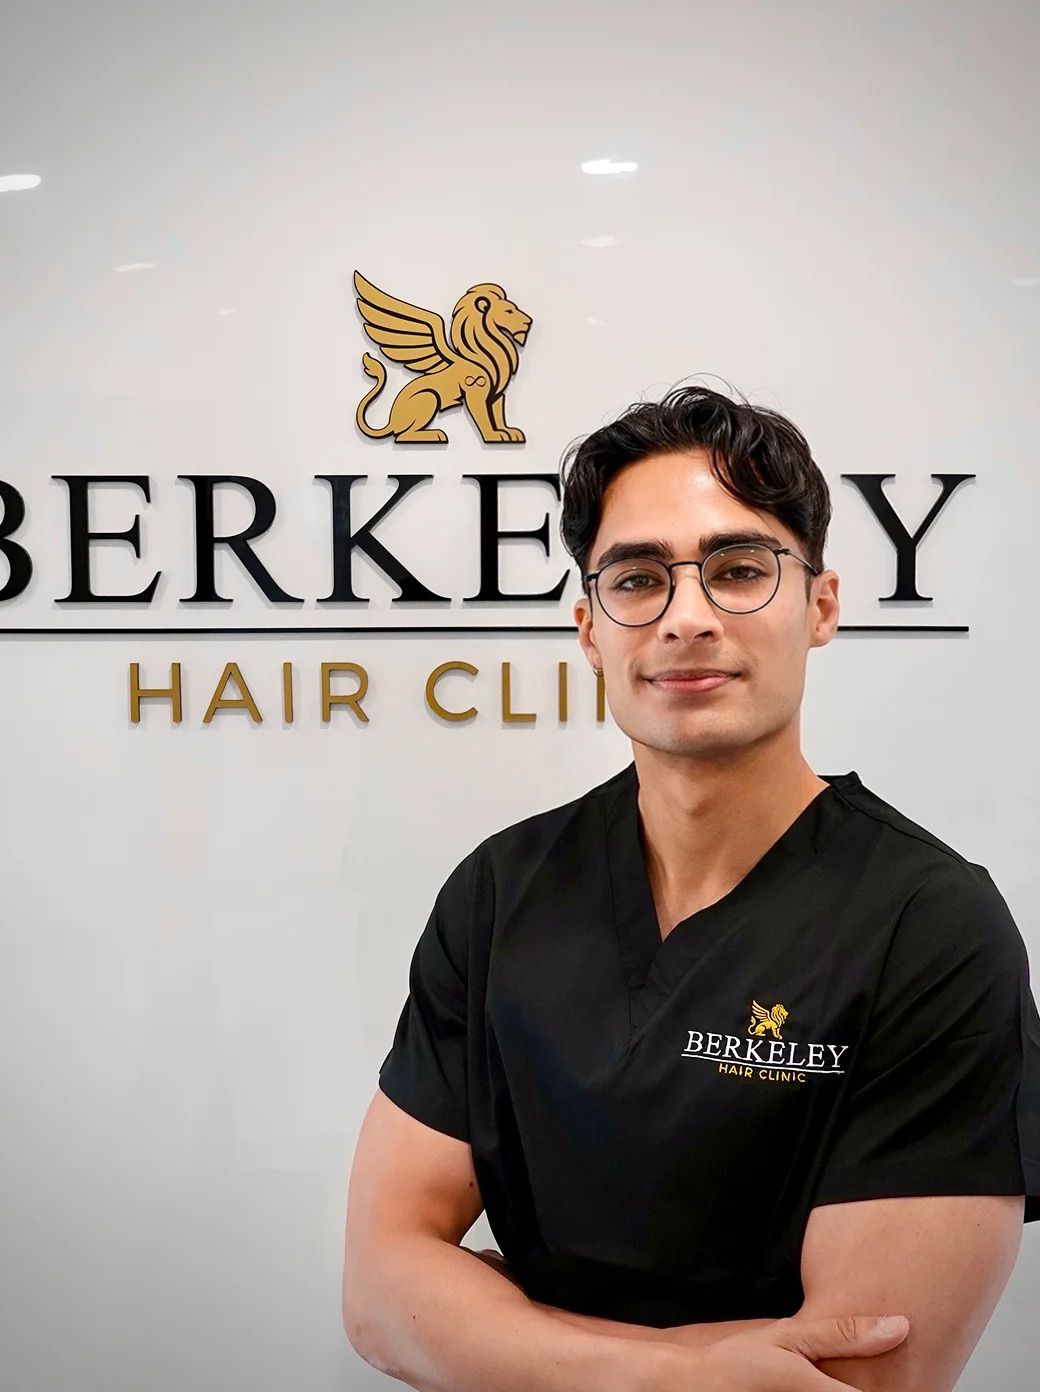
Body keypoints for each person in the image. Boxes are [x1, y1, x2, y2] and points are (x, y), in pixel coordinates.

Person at [342, 383, 1040, 1392]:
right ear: (590, 629)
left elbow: (860, 1378)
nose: (686, 619)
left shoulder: (927, 928)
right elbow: (380, 1295)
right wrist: (676, 1371)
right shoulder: (499, 892)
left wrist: (508, 1334)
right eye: (637, 580)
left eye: (738, 570)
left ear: (820, 605)